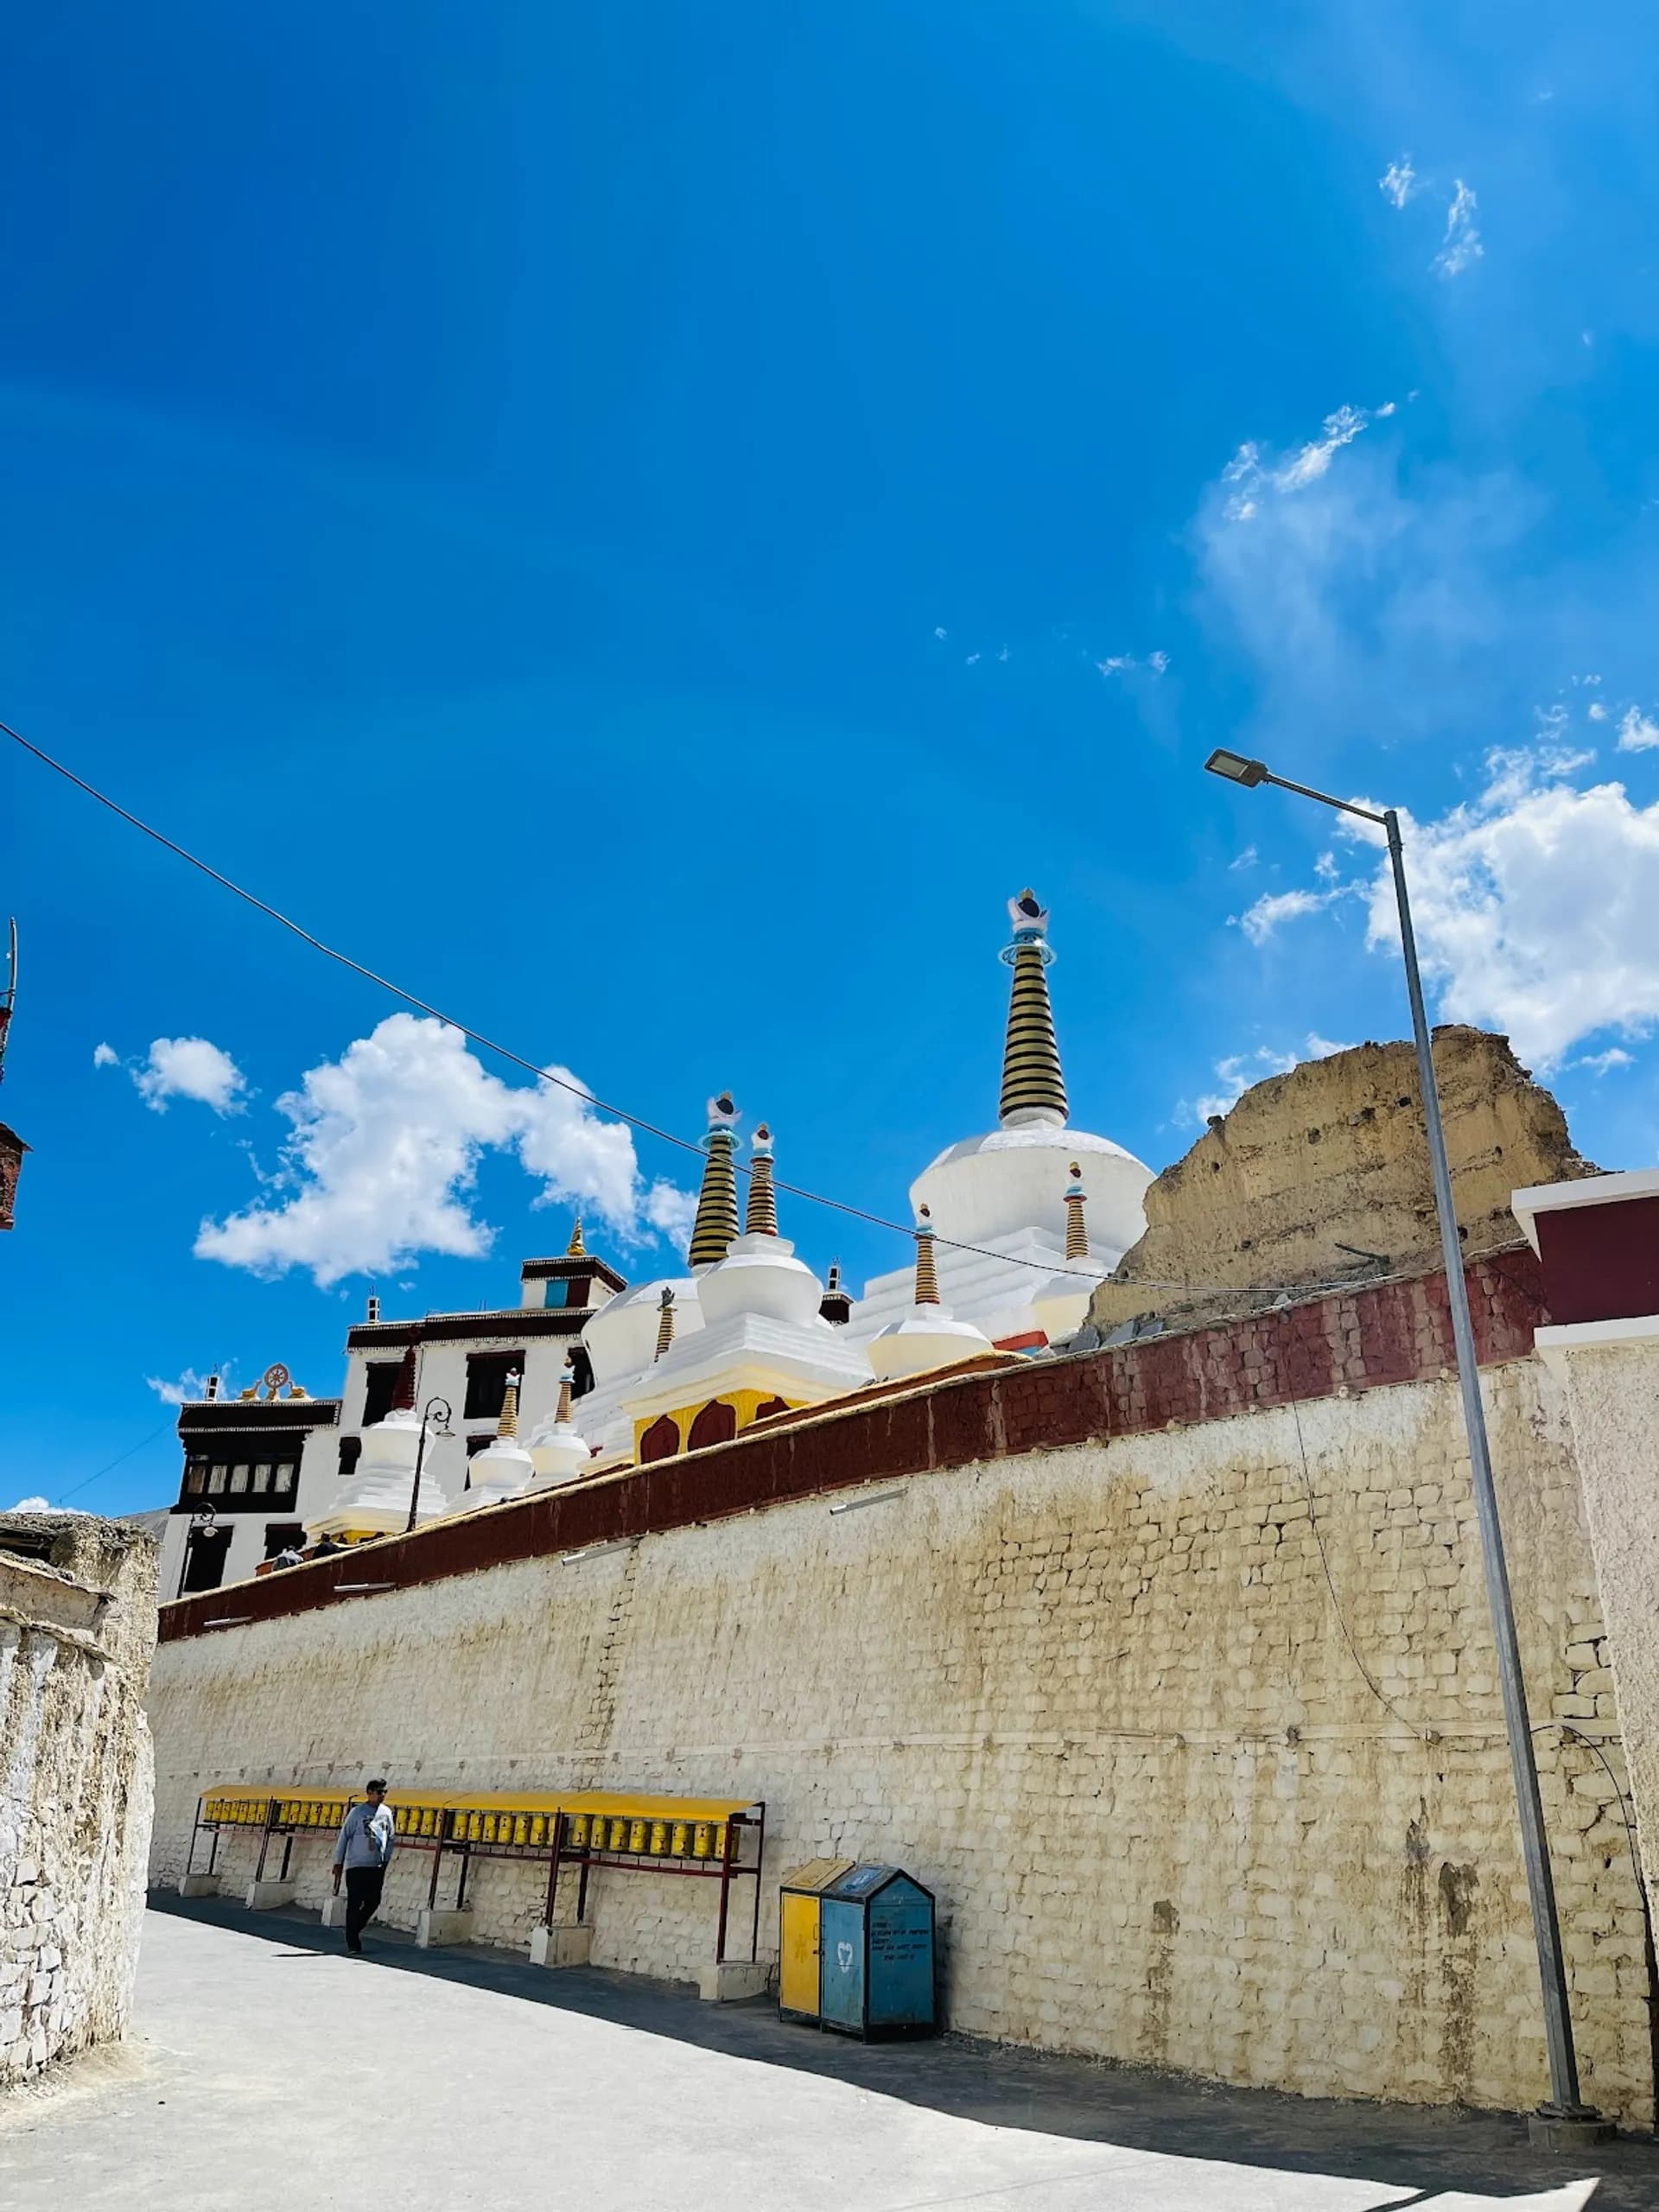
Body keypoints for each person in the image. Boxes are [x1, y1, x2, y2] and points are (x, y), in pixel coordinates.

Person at [333, 1779, 395, 1955]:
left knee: (373, 1901)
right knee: (355, 1902)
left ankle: (354, 1928)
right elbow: (344, 1837)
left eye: (384, 1792)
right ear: (369, 1792)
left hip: (376, 1865)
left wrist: (386, 1859)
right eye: (379, 1792)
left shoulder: (386, 1813)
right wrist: (339, 1861)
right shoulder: (357, 1813)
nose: (382, 1795)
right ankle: (353, 1942)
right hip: (356, 1865)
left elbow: (390, 1837)